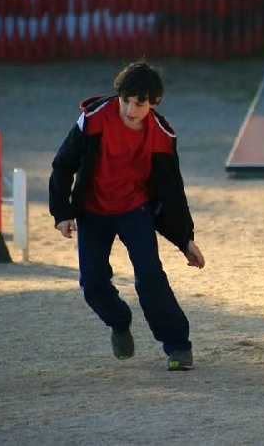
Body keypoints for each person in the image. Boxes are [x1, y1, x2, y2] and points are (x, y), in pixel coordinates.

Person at [49, 59, 205, 371]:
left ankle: (177, 346)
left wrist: (184, 239)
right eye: (125, 100)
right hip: (93, 210)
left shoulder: (162, 135)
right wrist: (62, 212)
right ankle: (120, 322)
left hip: (136, 210)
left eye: (139, 103)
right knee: (92, 283)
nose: (130, 109)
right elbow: (63, 164)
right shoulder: (93, 120)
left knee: (150, 279)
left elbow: (173, 192)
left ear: (154, 102)